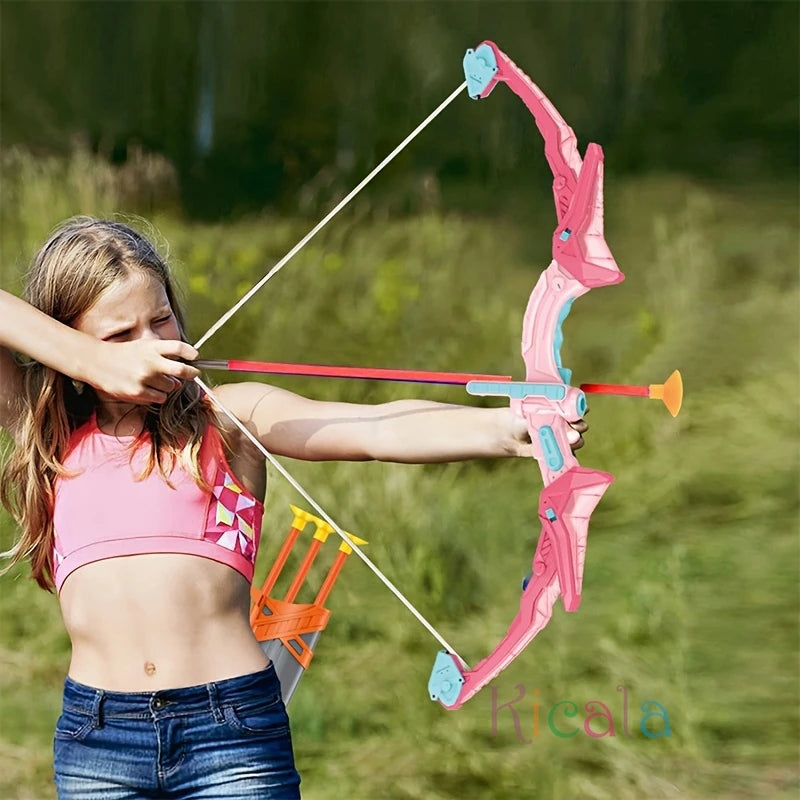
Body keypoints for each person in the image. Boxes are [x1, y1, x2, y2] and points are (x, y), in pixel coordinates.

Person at [0, 217, 587, 799]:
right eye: (119, 336)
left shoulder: (227, 420)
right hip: (98, 740)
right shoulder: (46, 432)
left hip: (228, 729)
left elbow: (371, 430)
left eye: (161, 320)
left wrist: (510, 429)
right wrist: (88, 361)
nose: (152, 346)